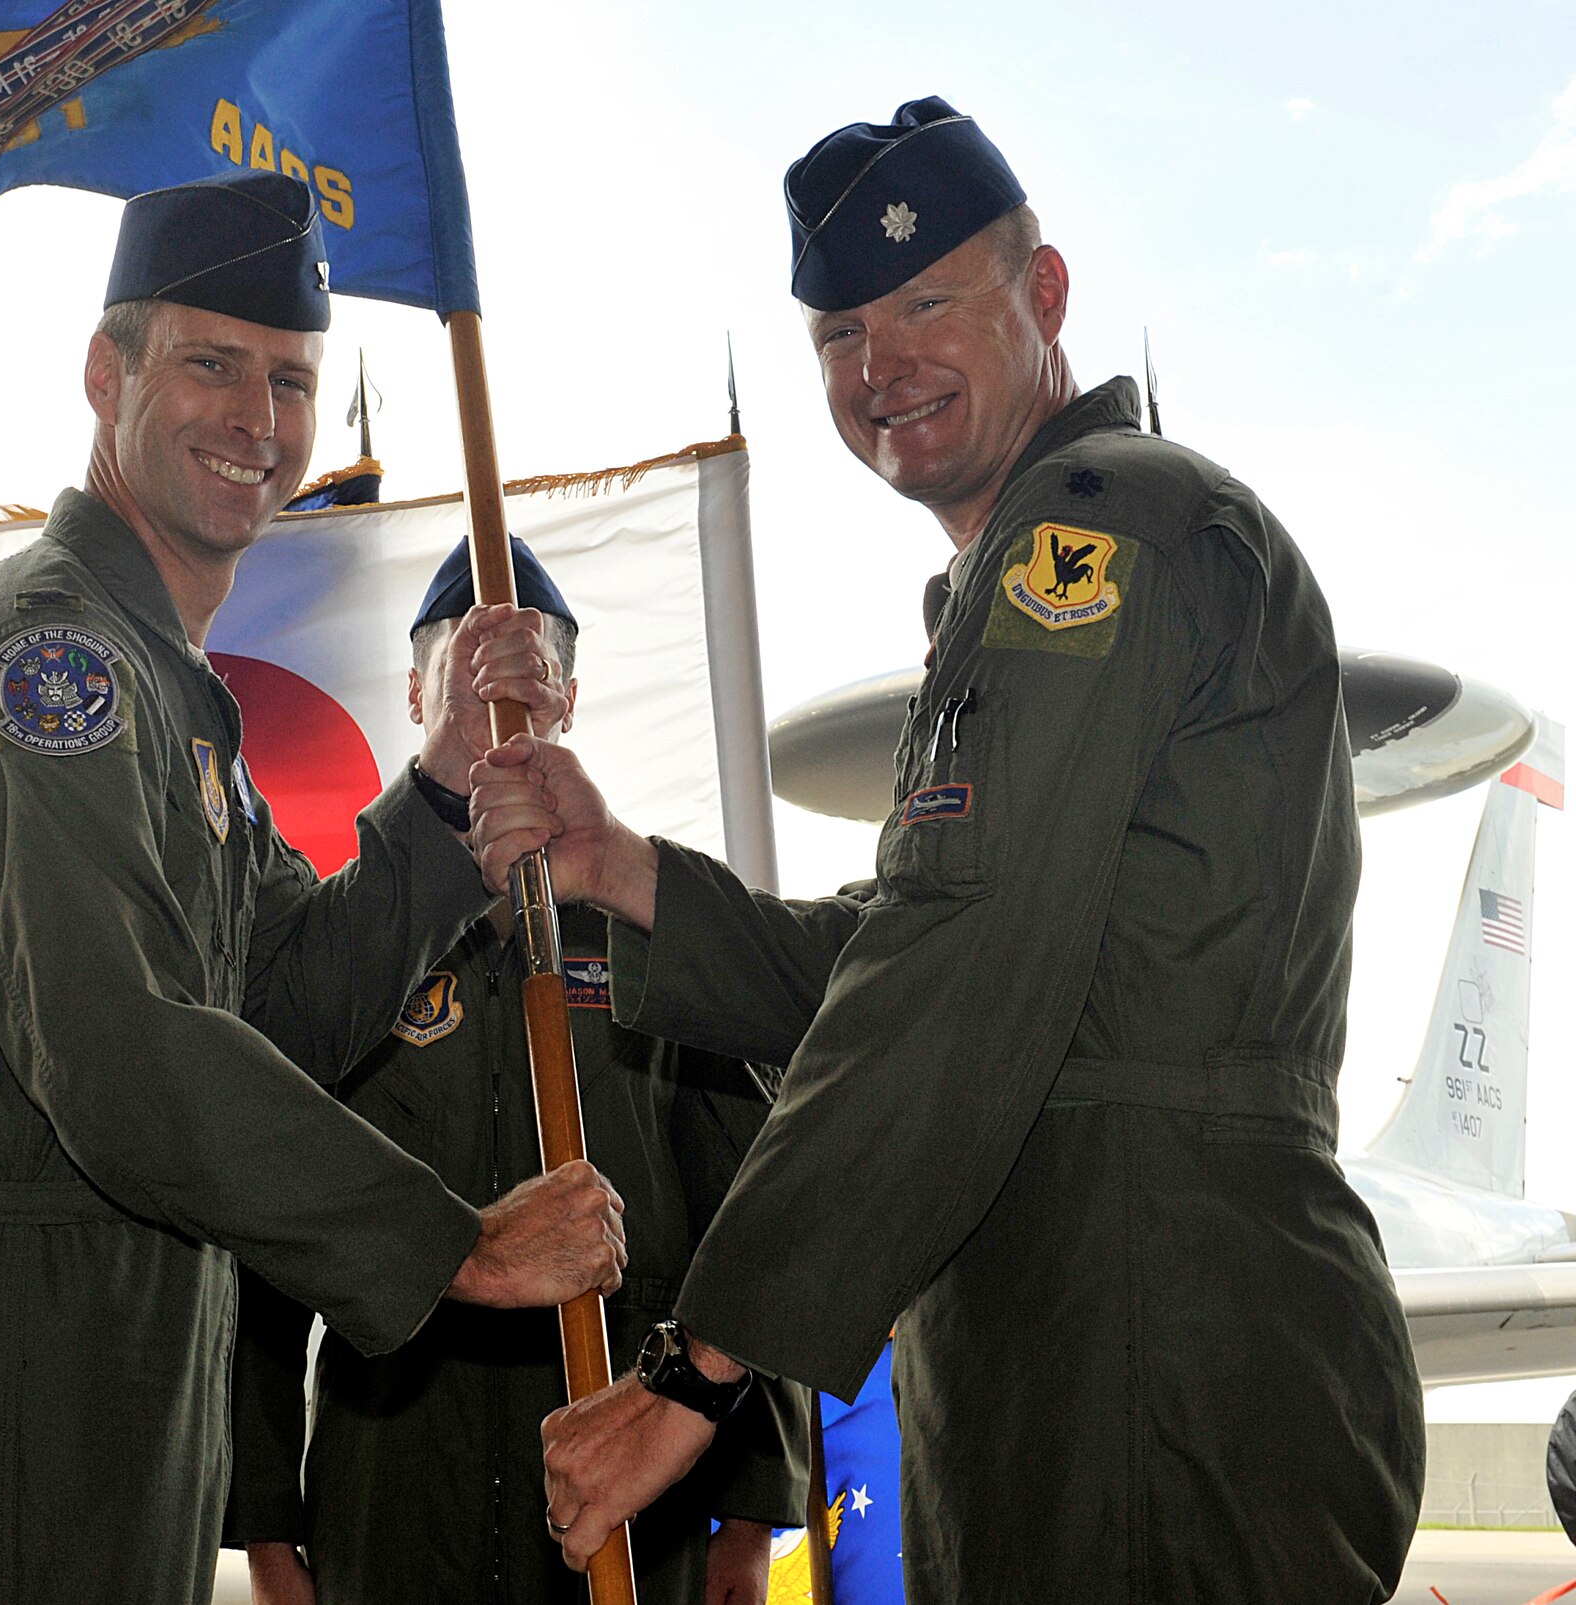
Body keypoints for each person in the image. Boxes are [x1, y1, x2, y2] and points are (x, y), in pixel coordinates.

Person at [473, 98, 1426, 1601]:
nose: (881, 367)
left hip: (1147, 1344)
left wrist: (697, 1370)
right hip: (1091, 1333)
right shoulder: (1047, 558)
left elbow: (955, 966)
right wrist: (628, 869)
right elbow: (928, 937)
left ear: (1042, 295)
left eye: (927, 303)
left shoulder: (1093, 534)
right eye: (840, 334)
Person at [0, 171, 629, 1605]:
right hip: (6, 1383)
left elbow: (280, 1005)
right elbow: (116, 1044)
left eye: (291, 380)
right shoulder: (52, 666)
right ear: (107, 374)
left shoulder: (171, 699)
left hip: (115, 1375)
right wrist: (452, 1247)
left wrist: (434, 790)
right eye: (212, 365)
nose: (257, 420)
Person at [232, 538, 808, 1605]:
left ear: (569, 700)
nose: (495, 700)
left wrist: (749, 1512)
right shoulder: (342, 951)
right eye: (462, 667)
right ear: (414, 692)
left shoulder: (660, 931)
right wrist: (267, 1529)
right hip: (389, 1479)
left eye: (526, 670)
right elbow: (265, 1245)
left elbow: (749, 1215)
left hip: (629, 1483)